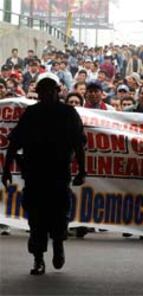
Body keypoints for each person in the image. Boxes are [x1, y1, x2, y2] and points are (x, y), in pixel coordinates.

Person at [2, 72, 86, 275]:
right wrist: (6, 169)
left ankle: (58, 244)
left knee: (58, 215)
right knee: (36, 219)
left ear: (57, 92)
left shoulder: (68, 113)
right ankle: (38, 259)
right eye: (42, 92)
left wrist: (82, 170)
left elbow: (78, 144)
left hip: (58, 173)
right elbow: (14, 143)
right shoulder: (31, 114)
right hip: (35, 173)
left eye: (49, 91)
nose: (45, 95)